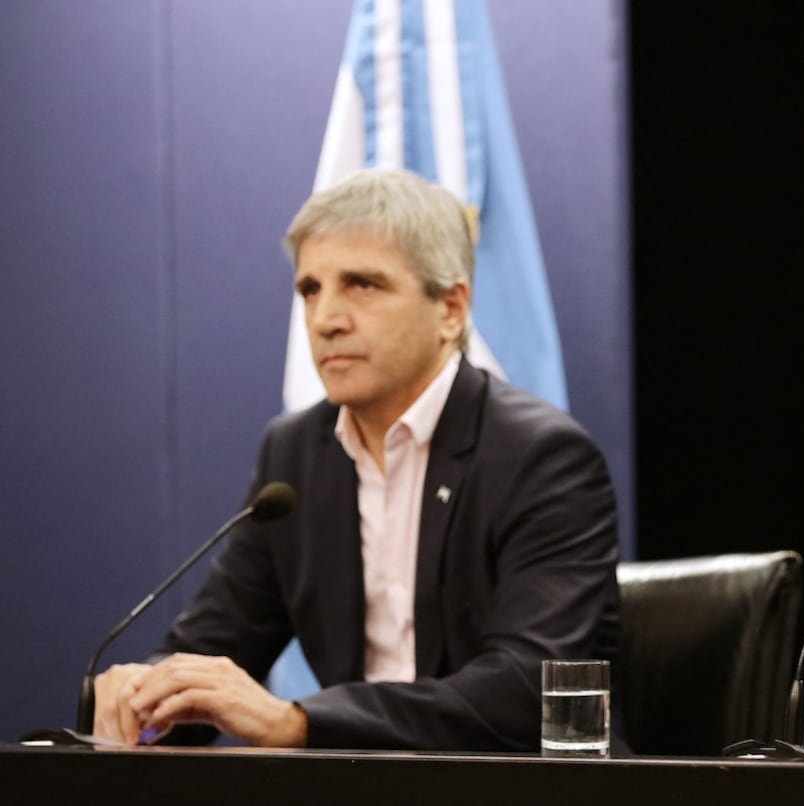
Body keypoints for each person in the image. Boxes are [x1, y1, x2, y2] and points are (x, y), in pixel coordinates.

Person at [91, 168, 624, 751]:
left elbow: (528, 687)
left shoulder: (541, 458)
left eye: (362, 285)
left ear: (450, 309)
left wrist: (300, 722)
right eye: (310, 290)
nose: (325, 320)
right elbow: (219, 638)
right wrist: (154, 692)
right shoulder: (295, 456)